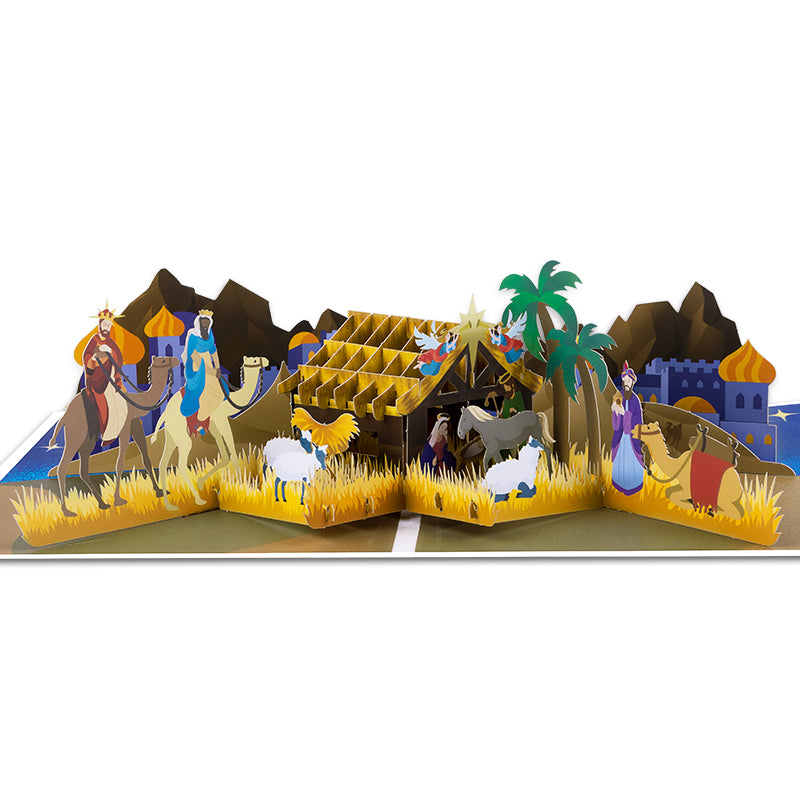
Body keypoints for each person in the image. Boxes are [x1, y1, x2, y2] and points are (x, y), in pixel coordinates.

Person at [82, 306, 127, 446]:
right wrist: (93, 359)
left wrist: (111, 352)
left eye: (108, 325)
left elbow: (118, 359)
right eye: (104, 324)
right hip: (96, 380)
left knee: (119, 402)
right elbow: (86, 357)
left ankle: (116, 430)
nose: (106, 327)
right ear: (100, 325)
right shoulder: (94, 340)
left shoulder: (111, 343)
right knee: (103, 403)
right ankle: (106, 433)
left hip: (110, 378)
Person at [180, 310, 224, 436]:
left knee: (220, 395)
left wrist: (218, 368)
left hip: (208, 366)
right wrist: (212, 372)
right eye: (203, 322)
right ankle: (198, 423)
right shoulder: (193, 336)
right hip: (197, 369)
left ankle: (200, 420)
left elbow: (213, 351)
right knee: (203, 395)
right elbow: (195, 358)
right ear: (199, 322)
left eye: (207, 322)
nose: (205, 325)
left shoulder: (209, 335)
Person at [611, 362, 645, 495]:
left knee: (632, 460)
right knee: (620, 461)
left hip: (631, 436)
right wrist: (616, 411)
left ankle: (634, 484)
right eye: (624, 380)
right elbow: (615, 420)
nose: (626, 383)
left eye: (629, 381)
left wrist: (626, 415)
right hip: (621, 436)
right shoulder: (618, 396)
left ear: (632, 382)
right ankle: (619, 482)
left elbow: (638, 419)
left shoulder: (635, 400)